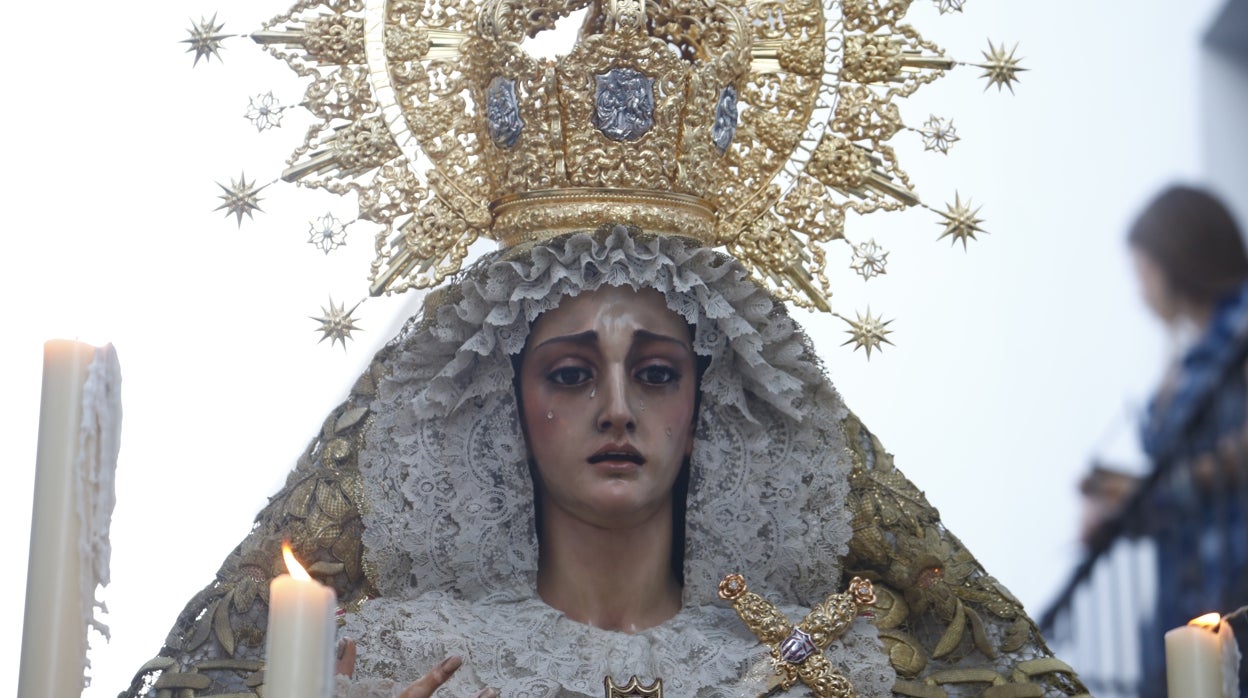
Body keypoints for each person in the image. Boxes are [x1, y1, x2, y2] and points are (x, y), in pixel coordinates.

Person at [127, 0, 1087, 695]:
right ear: (506, 406)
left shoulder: (820, 667)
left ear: (713, 407)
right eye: (572, 372)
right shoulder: (397, 662)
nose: (618, 407)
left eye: (659, 372)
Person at [1081, 184, 1248, 695]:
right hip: (1191, 586)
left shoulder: (1240, 325)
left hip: (1234, 578)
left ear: (1173, 263)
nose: (1142, 290)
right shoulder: (1190, 347)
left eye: (1143, 271)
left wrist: (1146, 493)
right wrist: (1121, 498)